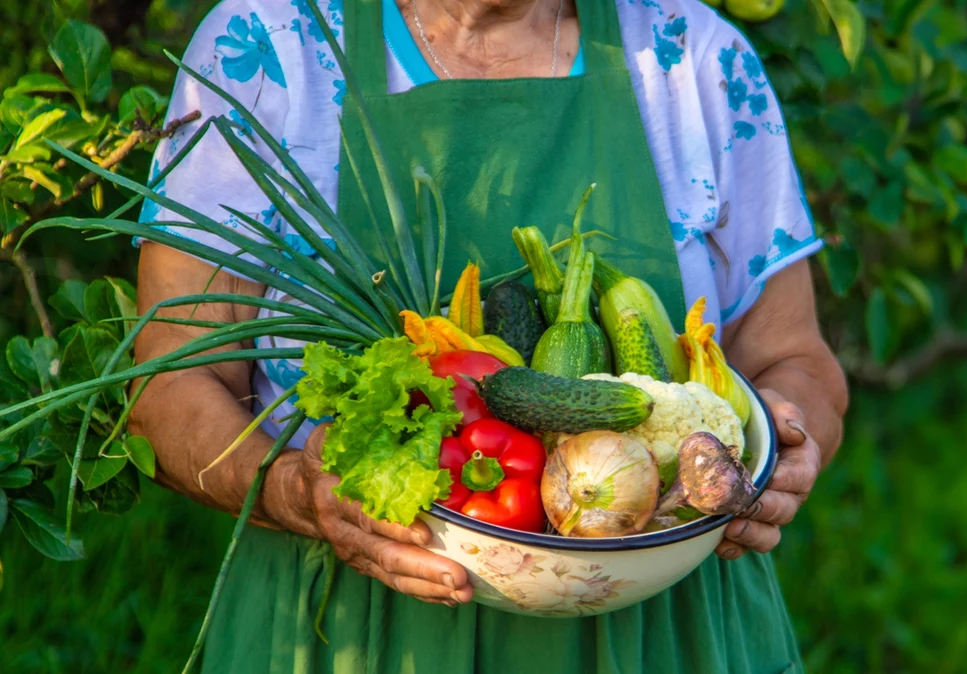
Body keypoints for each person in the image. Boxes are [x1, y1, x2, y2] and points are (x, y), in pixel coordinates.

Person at [130, 0, 849, 670]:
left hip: (668, 625)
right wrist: (294, 491)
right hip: (348, 626)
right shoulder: (266, 50)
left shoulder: (692, 58)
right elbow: (169, 383)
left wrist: (787, 447)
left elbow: (792, 356)